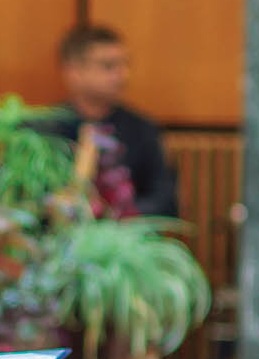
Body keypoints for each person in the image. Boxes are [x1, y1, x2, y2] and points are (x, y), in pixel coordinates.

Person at [38, 24, 177, 218]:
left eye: (125, 65)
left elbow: (164, 199)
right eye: (108, 66)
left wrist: (116, 215)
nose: (123, 75)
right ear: (74, 72)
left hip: (126, 231)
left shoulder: (142, 129)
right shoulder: (45, 129)